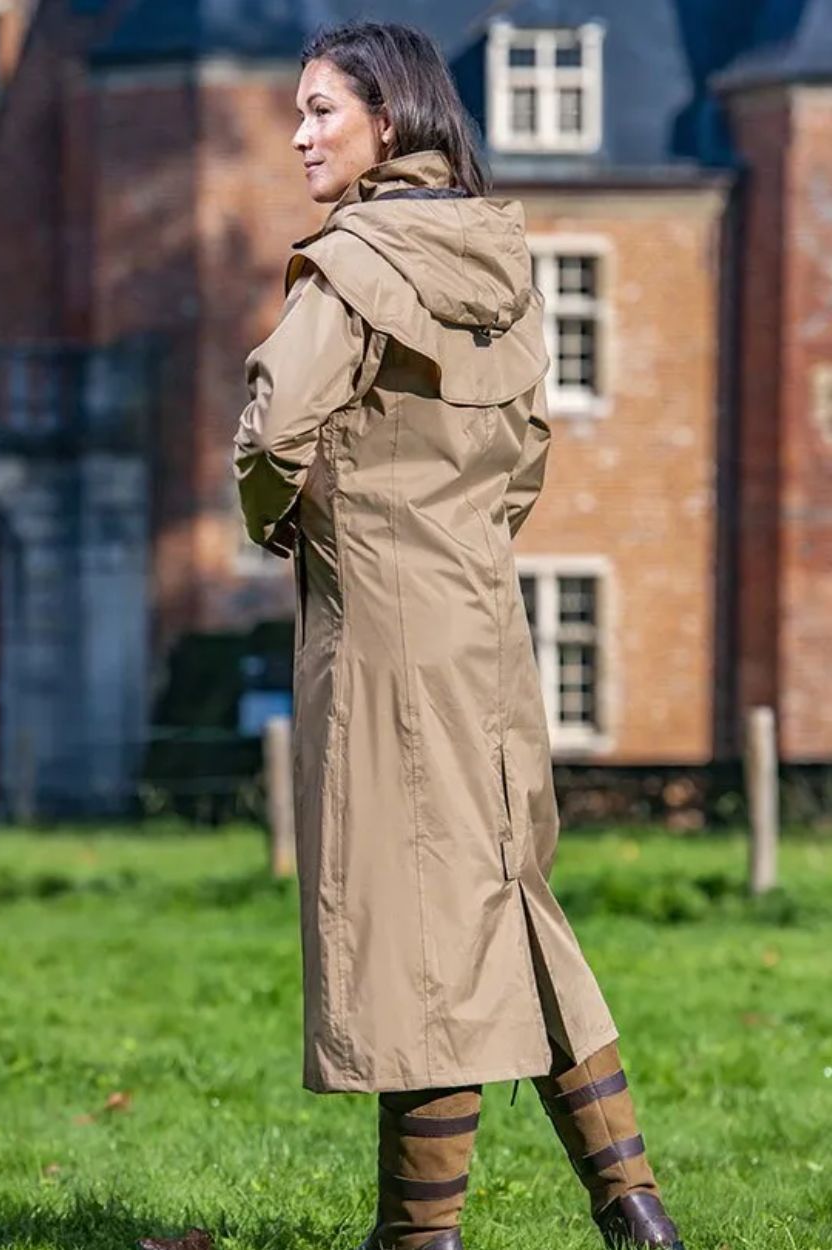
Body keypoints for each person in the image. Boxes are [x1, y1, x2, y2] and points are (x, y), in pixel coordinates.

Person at [233, 21, 685, 1250]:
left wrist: (291, 523)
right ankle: (631, 1201)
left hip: (380, 629)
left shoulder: (352, 263)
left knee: (418, 930)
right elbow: (528, 446)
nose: (300, 133)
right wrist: (464, 536)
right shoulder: (504, 261)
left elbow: (272, 421)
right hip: (486, 622)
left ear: (391, 119)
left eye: (322, 108)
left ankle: (416, 1237)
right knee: (505, 901)